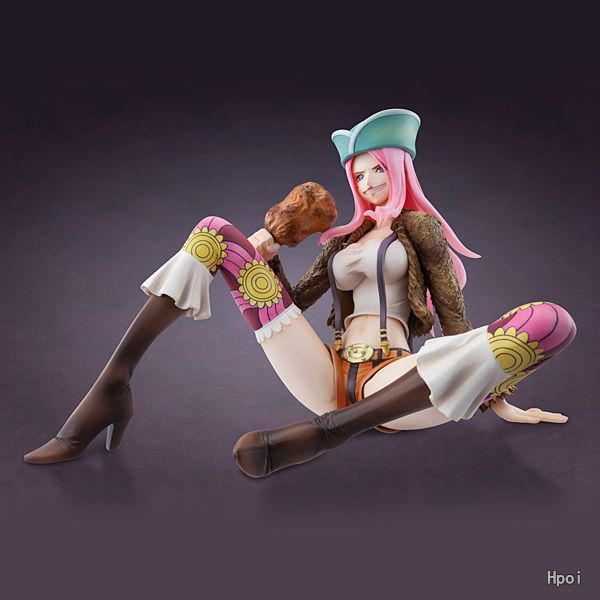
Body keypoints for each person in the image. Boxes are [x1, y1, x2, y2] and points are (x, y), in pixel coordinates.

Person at [24, 109, 576, 478]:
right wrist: (266, 255)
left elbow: (453, 313)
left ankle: (328, 433)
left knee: (549, 320)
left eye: (376, 171)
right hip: (327, 375)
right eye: (358, 176)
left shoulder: (420, 229)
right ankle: (111, 388)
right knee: (215, 233)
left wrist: (493, 391)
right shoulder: (345, 240)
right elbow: (299, 299)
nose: (367, 184)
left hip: (398, 383)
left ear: (400, 169)